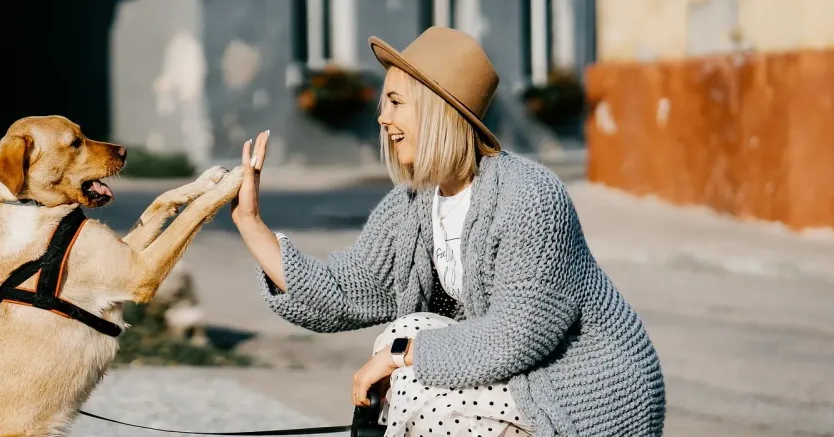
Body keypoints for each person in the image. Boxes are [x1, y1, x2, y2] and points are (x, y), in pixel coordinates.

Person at [228, 27, 665, 437]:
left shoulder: (530, 196)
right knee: (406, 331)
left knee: (410, 369)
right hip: (523, 376)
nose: (383, 117)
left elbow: (516, 335)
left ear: (439, 109)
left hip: (587, 391)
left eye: (396, 102)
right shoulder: (413, 205)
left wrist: (399, 356)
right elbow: (343, 291)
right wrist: (250, 222)